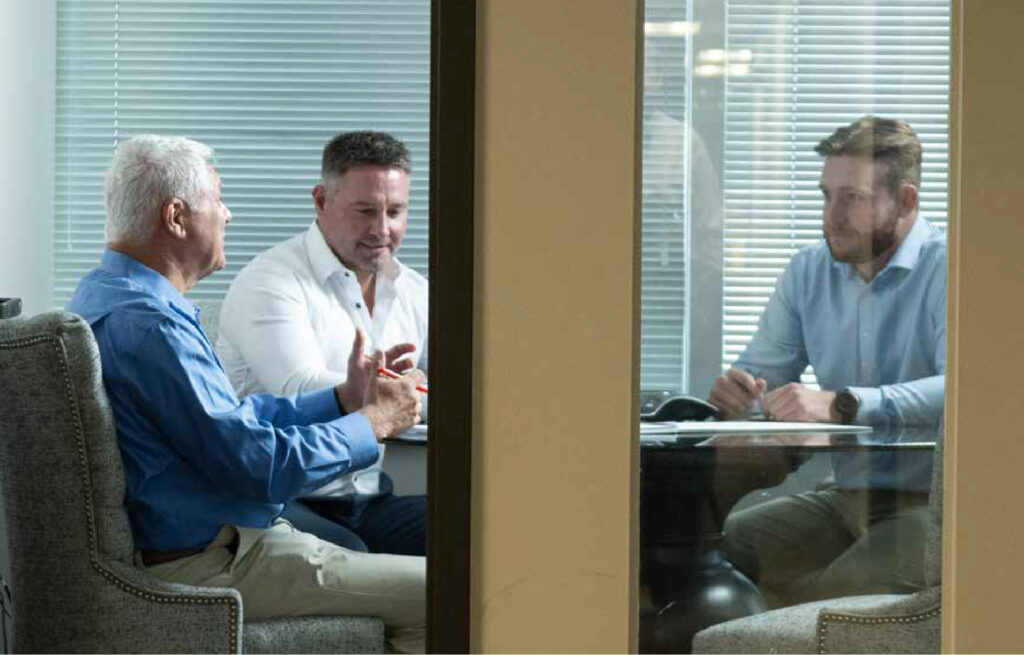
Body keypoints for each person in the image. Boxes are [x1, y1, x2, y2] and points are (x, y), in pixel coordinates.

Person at [67, 135, 426, 653]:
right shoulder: (149, 326)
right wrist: (372, 423)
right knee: (448, 594)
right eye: (217, 199)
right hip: (215, 557)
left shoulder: (110, 295)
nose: (228, 214)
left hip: (225, 538)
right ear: (176, 217)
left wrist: (343, 400)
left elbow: (232, 419)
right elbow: (256, 465)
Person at [707, 116, 946, 607]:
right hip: (844, 500)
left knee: (835, 601)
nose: (831, 216)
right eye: (826, 195)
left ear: (906, 201)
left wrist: (842, 405)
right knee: (710, 554)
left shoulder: (952, 268)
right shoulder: (808, 270)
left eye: (852, 198)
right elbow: (764, 374)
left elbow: (963, 389)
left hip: (933, 506)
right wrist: (742, 392)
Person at [216, 131, 428, 556]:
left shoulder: (415, 291)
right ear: (320, 201)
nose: (382, 229)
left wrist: (410, 392)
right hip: (278, 499)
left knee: (479, 533)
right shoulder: (269, 281)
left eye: (395, 211)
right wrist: (391, 393)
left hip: (367, 499)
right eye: (365, 211)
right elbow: (298, 388)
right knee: (352, 556)